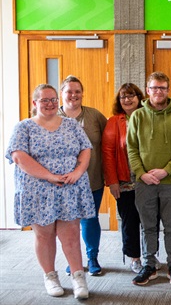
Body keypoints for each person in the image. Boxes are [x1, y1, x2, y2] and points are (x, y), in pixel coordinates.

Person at [5, 84, 94, 299]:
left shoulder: (71, 125)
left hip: (69, 187)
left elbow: (85, 149)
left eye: (53, 99)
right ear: (35, 103)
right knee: (44, 235)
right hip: (38, 189)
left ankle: (78, 276)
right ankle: (50, 276)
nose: (50, 104)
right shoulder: (24, 127)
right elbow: (18, 157)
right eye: (44, 100)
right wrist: (49, 176)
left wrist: (78, 171)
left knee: (71, 234)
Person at [127, 71, 171, 286]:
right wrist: (141, 173)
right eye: (154, 88)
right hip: (144, 182)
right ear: (148, 90)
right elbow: (132, 149)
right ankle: (149, 265)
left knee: (170, 225)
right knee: (148, 225)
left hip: (170, 181)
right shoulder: (137, 116)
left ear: (168, 90)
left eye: (162, 88)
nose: (158, 92)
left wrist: (166, 170)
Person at [59, 75, 107, 276]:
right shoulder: (53, 118)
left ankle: (92, 257)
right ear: (62, 94)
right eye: (69, 91)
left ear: (82, 93)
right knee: (68, 223)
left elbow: (109, 145)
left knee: (90, 218)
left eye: (77, 91)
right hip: (62, 182)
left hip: (93, 179)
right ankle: (73, 260)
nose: (73, 95)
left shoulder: (95, 116)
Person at [102, 83, 144, 274]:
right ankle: (135, 258)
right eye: (123, 97)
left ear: (139, 97)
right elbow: (108, 152)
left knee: (151, 220)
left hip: (149, 180)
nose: (127, 100)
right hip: (125, 181)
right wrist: (112, 181)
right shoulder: (113, 121)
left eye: (131, 95)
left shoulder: (148, 116)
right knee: (130, 220)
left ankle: (151, 255)